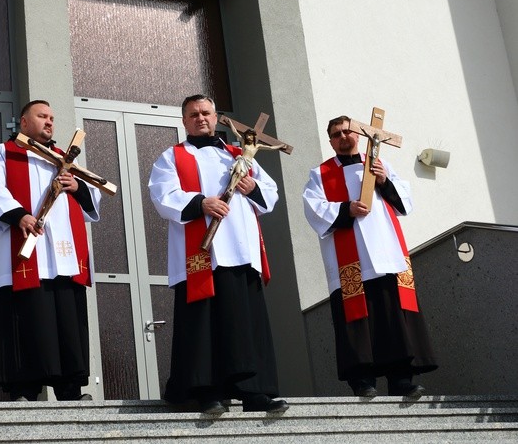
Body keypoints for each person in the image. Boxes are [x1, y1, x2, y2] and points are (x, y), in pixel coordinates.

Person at [148, 94, 288, 415]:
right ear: (184, 121)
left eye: (206, 113)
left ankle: (255, 394)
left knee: (245, 325)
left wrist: (252, 188)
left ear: (216, 117)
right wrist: (201, 203)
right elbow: (162, 195)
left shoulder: (241, 154)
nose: (201, 118)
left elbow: (271, 193)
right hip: (201, 254)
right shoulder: (172, 157)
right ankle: (207, 393)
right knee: (204, 327)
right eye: (194, 114)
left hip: (240, 249)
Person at [303, 115, 437, 398]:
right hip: (350, 260)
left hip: (386, 253)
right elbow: (313, 208)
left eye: (347, 132)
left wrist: (384, 180)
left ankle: (401, 379)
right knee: (355, 321)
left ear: (359, 135)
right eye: (336, 134)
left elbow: (405, 202)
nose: (342, 137)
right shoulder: (320, 174)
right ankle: (363, 382)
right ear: (330, 141)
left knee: (392, 317)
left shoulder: (379, 164)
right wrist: (345, 210)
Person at [0, 100, 101, 401]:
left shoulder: (64, 160)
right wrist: (19, 214)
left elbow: (96, 193)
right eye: (41, 116)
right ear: (23, 122)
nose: (49, 122)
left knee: (66, 322)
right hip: (25, 249)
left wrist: (77, 186)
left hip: (62, 254)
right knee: (26, 320)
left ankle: (70, 390)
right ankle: (23, 389)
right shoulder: (3, 153)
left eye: (51, 117)